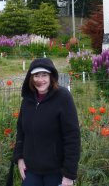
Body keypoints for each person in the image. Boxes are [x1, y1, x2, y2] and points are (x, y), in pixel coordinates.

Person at [13, 58, 81, 186]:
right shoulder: (27, 101)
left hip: (56, 172)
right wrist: (20, 158)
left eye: (44, 75)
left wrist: (69, 175)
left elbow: (72, 137)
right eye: (36, 76)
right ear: (31, 78)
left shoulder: (63, 97)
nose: (40, 80)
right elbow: (21, 132)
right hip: (31, 171)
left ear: (51, 77)